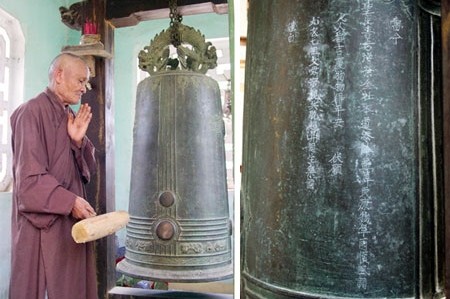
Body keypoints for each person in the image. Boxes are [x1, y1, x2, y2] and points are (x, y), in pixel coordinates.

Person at [9, 53, 98, 299]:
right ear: (59, 75)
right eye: (80, 81)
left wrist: (77, 142)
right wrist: (70, 202)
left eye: (86, 83)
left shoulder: (68, 115)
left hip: (69, 225)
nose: (83, 88)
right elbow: (28, 181)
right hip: (41, 227)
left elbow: (85, 174)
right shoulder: (30, 112)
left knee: (73, 288)